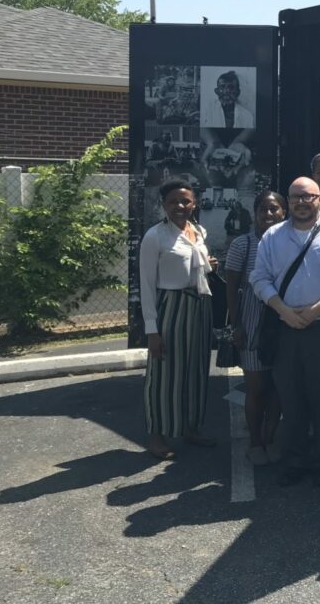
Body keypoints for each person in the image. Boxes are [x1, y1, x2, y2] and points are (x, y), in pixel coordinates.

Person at [249, 176, 320, 487]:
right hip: (285, 329)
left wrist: (316, 310)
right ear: (288, 200)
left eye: (307, 196)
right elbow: (259, 278)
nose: (300, 202)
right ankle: (294, 462)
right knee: (290, 398)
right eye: (295, 196)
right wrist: (283, 310)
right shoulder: (272, 236)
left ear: (319, 199)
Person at [139, 179, 219, 460]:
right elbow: (147, 285)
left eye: (186, 201)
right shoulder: (155, 237)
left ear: (194, 203)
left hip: (199, 307)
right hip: (170, 308)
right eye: (173, 201)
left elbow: (199, 268)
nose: (180, 206)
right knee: (164, 375)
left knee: (196, 371)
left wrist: (209, 264)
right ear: (164, 205)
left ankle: (191, 427)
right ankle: (156, 434)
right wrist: (152, 330)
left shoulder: (197, 231)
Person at [225, 190, 287, 466]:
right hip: (252, 319)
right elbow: (231, 287)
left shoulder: (291, 242)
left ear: (284, 212)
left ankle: (271, 436)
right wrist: (235, 324)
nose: (269, 214)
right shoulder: (243, 245)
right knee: (256, 386)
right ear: (255, 213)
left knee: (278, 386)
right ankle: (255, 441)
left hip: (283, 320)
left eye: (275, 209)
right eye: (264, 209)